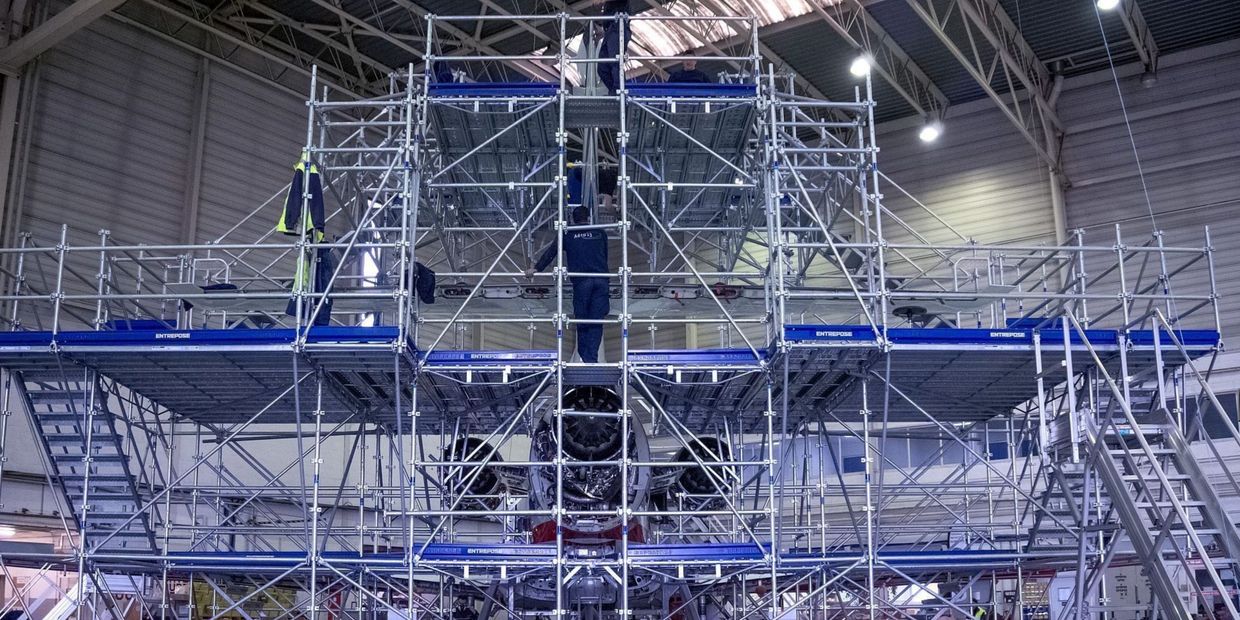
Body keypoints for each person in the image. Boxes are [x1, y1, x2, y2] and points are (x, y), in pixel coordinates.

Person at [526, 206, 610, 363]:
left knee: (582, 319)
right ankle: (592, 358)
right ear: (589, 218)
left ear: (572, 219)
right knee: (597, 320)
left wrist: (536, 268)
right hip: (601, 280)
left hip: (582, 282)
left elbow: (551, 253)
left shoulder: (567, 233)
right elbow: (605, 256)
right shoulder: (600, 232)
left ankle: (587, 358)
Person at [596, 0, 631, 94]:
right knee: (602, 67)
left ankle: (618, 91)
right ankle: (615, 91)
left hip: (619, 26)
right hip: (610, 29)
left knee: (615, 62)